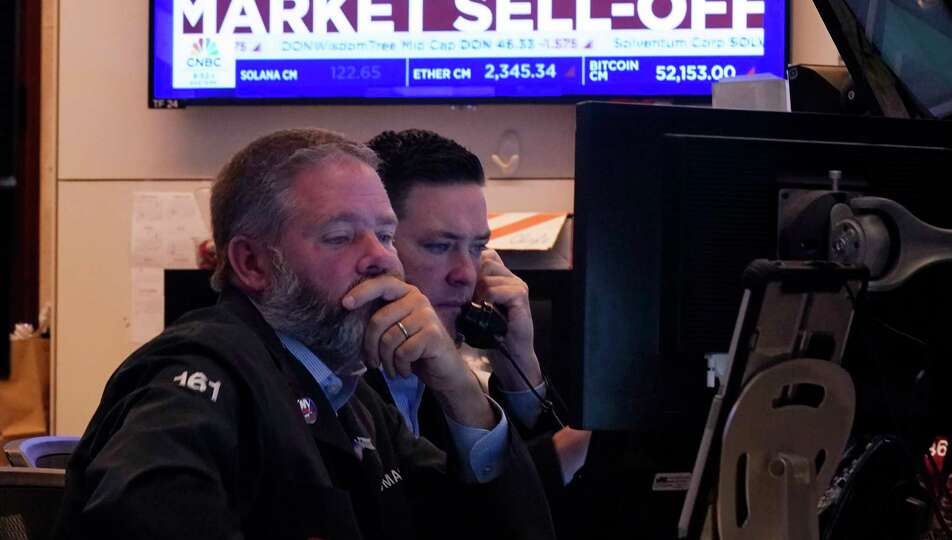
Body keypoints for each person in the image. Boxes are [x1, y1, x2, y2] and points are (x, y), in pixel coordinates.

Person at [55, 129, 554, 540]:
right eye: (339, 237)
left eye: (383, 235)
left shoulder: (353, 399)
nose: (381, 258)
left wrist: (460, 390)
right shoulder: (204, 372)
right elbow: (138, 520)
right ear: (252, 264)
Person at [365, 129, 591, 499]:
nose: (466, 274)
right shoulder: (341, 380)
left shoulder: (435, 364)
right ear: (378, 247)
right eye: (439, 246)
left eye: (477, 247)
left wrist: (518, 365)